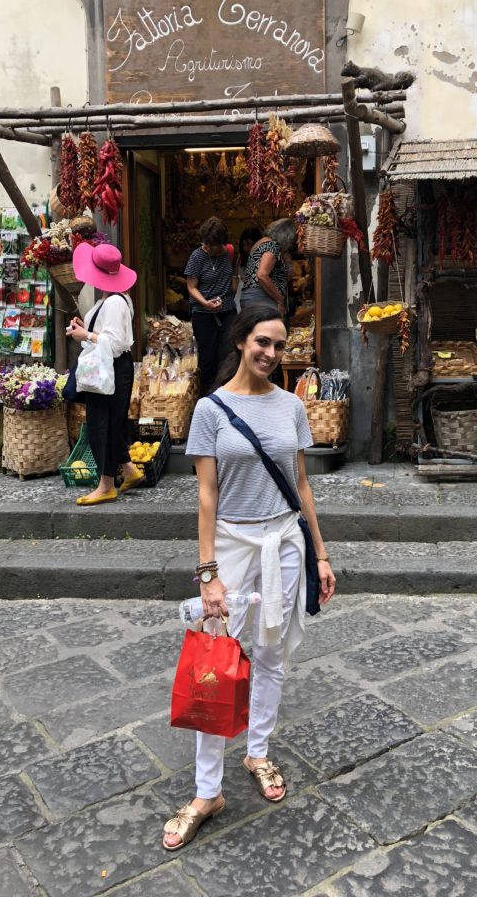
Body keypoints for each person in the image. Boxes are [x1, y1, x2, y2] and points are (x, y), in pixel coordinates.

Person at [161, 306, 336, 851]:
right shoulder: (211, 411)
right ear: (241, 342)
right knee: (217, 661)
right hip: (233, 546)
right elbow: (206, 495)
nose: (271, 354)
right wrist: (208, 571)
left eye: (280, 346)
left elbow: (301, 486)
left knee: (272, 652)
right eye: (263, 342)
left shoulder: (291, 407)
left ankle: (257, 751)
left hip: (284, 542)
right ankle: (207, 790)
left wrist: (321, 556)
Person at [67, 242, 143, 506]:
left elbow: (114, 342)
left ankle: (106, 485)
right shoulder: (112, 299)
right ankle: (130, 470)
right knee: (112, 422)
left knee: (104, 424)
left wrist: (85, 334)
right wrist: (84, 327)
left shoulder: (113, 303)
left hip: (111, 368)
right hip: (112, 368)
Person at [184, 217, 238, 396]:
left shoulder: (229, 252)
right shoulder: (197, 256)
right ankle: (207, 397)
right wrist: (205, 303)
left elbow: (233, 274)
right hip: (203, 313)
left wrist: (233, 286)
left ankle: (227, 394)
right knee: (207, 359)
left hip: (227, 311)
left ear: (221, 243)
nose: (208, 247)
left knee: (228, 354)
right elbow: (191, 287)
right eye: (206, 244)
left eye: (212, 245)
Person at [239, 218, 296, 317]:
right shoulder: (272, 246)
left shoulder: (262, 242)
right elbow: (262, 275)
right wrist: (279, 300)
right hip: (261, 298)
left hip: (252, 297)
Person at [234, 225, 263, 310]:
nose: (246, 248)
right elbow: (235, 282)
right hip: (241, 302)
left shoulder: (265, 259)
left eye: (250, 245)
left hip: (258, 302)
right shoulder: (240, 259)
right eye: (244, 245)